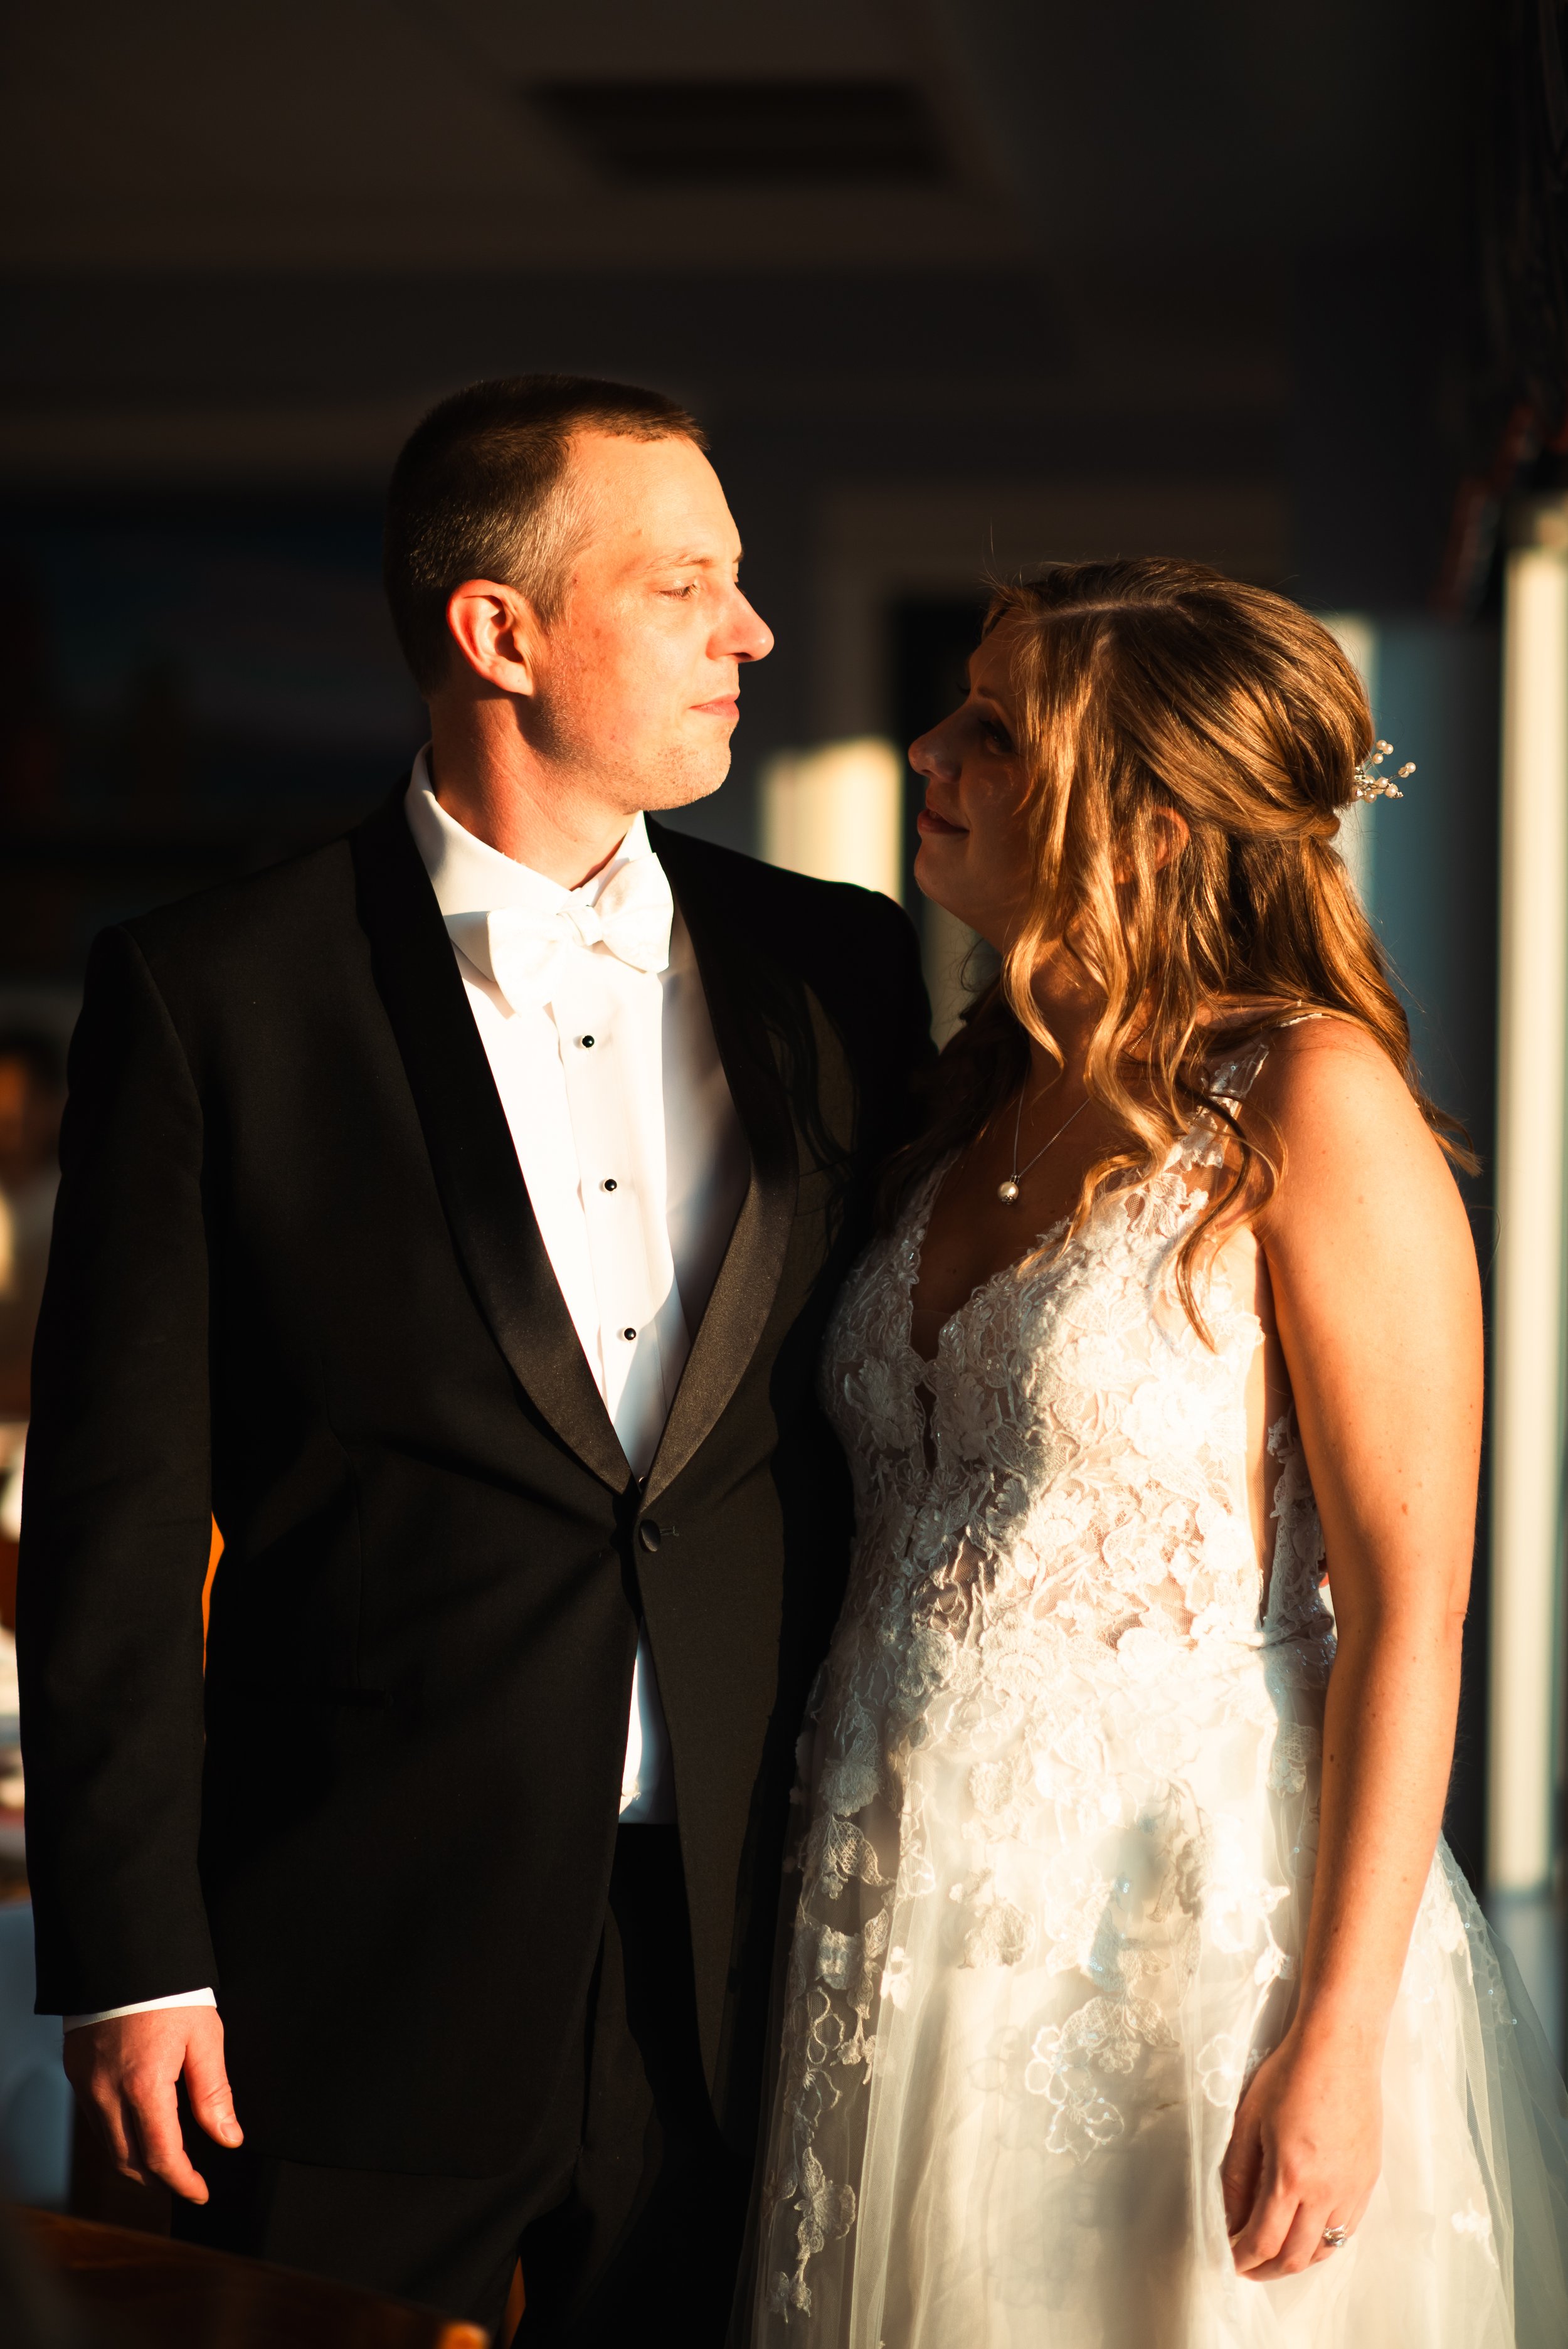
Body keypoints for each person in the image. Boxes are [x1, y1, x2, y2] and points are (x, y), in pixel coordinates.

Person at [18, 376, 932, 2341]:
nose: (748, 633)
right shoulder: (209, 993)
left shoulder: (842, 971)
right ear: (496, 630)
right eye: (687, 585)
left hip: (746, 1954)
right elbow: (111, 1511)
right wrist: (127, 1957)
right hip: (340, 1953)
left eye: (745, 585)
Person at [748, 559, 1568, 2346]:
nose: (929, 750)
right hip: (903, 1924)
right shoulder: (969, 1097)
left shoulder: (1308, 1101)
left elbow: (1409, 1615)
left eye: (993, 728)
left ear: (1142, 806)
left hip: (1182, 1941)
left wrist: (1334, 2036)